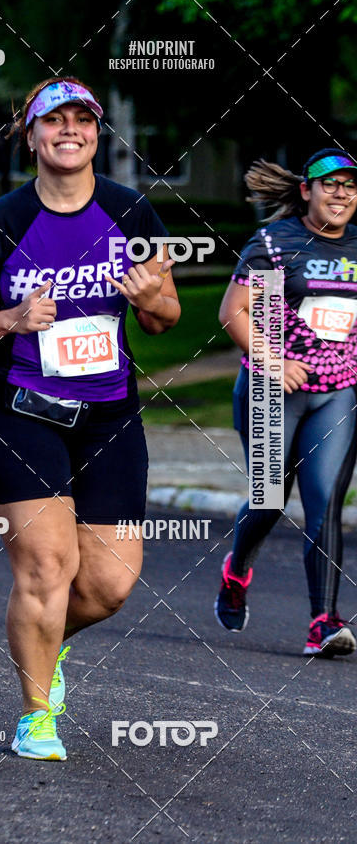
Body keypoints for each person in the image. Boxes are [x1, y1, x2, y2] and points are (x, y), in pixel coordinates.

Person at [0, 77, 180, 759]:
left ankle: (48, 647)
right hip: (20, 411)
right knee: (48, 567)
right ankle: (35, 715)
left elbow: (166, 319)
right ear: (32, 134)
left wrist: (148, 299)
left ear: (96, 134)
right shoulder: (1, 221)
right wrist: (10, 319)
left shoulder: (132, 213)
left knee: (109, 585)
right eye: (55, 121)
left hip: (108, 415)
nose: (68, 131)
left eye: (82, 120)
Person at [216, 147, 357, 657]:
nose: (340, 193)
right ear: (306, 191)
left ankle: (323, 622)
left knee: (325, 505)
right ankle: (237, 568)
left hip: (337, 393)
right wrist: (275, 363)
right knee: (270, 500)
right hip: (271, 390)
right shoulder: (280, 245)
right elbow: (234, 313)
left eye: (350, 186)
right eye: (329, 184)